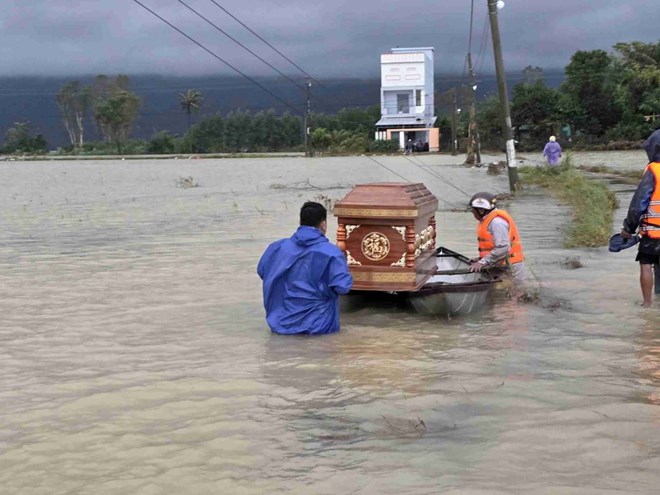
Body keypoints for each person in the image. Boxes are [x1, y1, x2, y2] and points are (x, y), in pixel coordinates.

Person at [257, 201, 353, 335]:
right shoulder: (332, 253)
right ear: (323, 224)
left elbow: (262, 272)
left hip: (280, 325)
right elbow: (342, 287)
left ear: (300, 221)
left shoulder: (276, 248)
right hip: (318, 328)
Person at [620, 128, 660, 307]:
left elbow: (639, 203)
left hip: (654, 232)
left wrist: (628, 228)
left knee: (646, 263)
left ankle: (647, 304)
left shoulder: (653, 170)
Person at [467, 192, 525, 283]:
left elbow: (503, 248)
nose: (472, 212)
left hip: (510, 265)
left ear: (481, 210)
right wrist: (481, 258)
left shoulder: (497, 223)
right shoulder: (487, 220)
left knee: (514, 293)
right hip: (501, 263)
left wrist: (482, 262)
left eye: (473, 210)